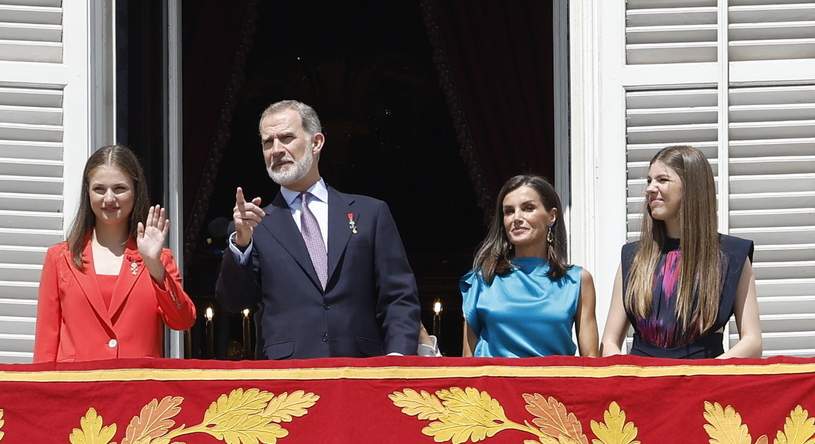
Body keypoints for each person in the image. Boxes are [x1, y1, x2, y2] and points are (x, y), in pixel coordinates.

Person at [215, 100, 420, 359]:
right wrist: (241, 244)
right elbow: (234, 302)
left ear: (316, 142)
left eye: (286, 138)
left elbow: (398, 298)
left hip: (361, 374)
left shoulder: (370, 213)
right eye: (268, 142)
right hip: (288, 382)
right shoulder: (255, 226)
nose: (276, 150)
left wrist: (397, 360)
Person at [34, 145, 196, 362]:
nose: (109, 199)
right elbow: (46, 345)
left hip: (137, 390)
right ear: (88, 192)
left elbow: (183, 321)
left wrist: (154, 265)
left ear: (136, 191)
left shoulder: (159, 259)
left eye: (119, 188)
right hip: (76, 391)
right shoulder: (60, 257)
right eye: (99, 189)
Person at [600, 145, 762, 359]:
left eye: (662, 180)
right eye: (649, 180)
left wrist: (705, 375)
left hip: (703, 385)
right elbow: (609, 341)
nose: (650, 188)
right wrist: (626, 375)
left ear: (690, 187)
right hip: (642, 384)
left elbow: (752, 341)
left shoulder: (732, 254)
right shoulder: (633, 257)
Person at [461, 175, 599, 358]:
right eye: (509, 211)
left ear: (552, 216)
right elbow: (466, 362)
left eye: (528, 208)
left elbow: (591, 361)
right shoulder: (481, 279)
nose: (517, 217)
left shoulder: (578, 280)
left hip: (554, 385)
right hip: (494, 384)